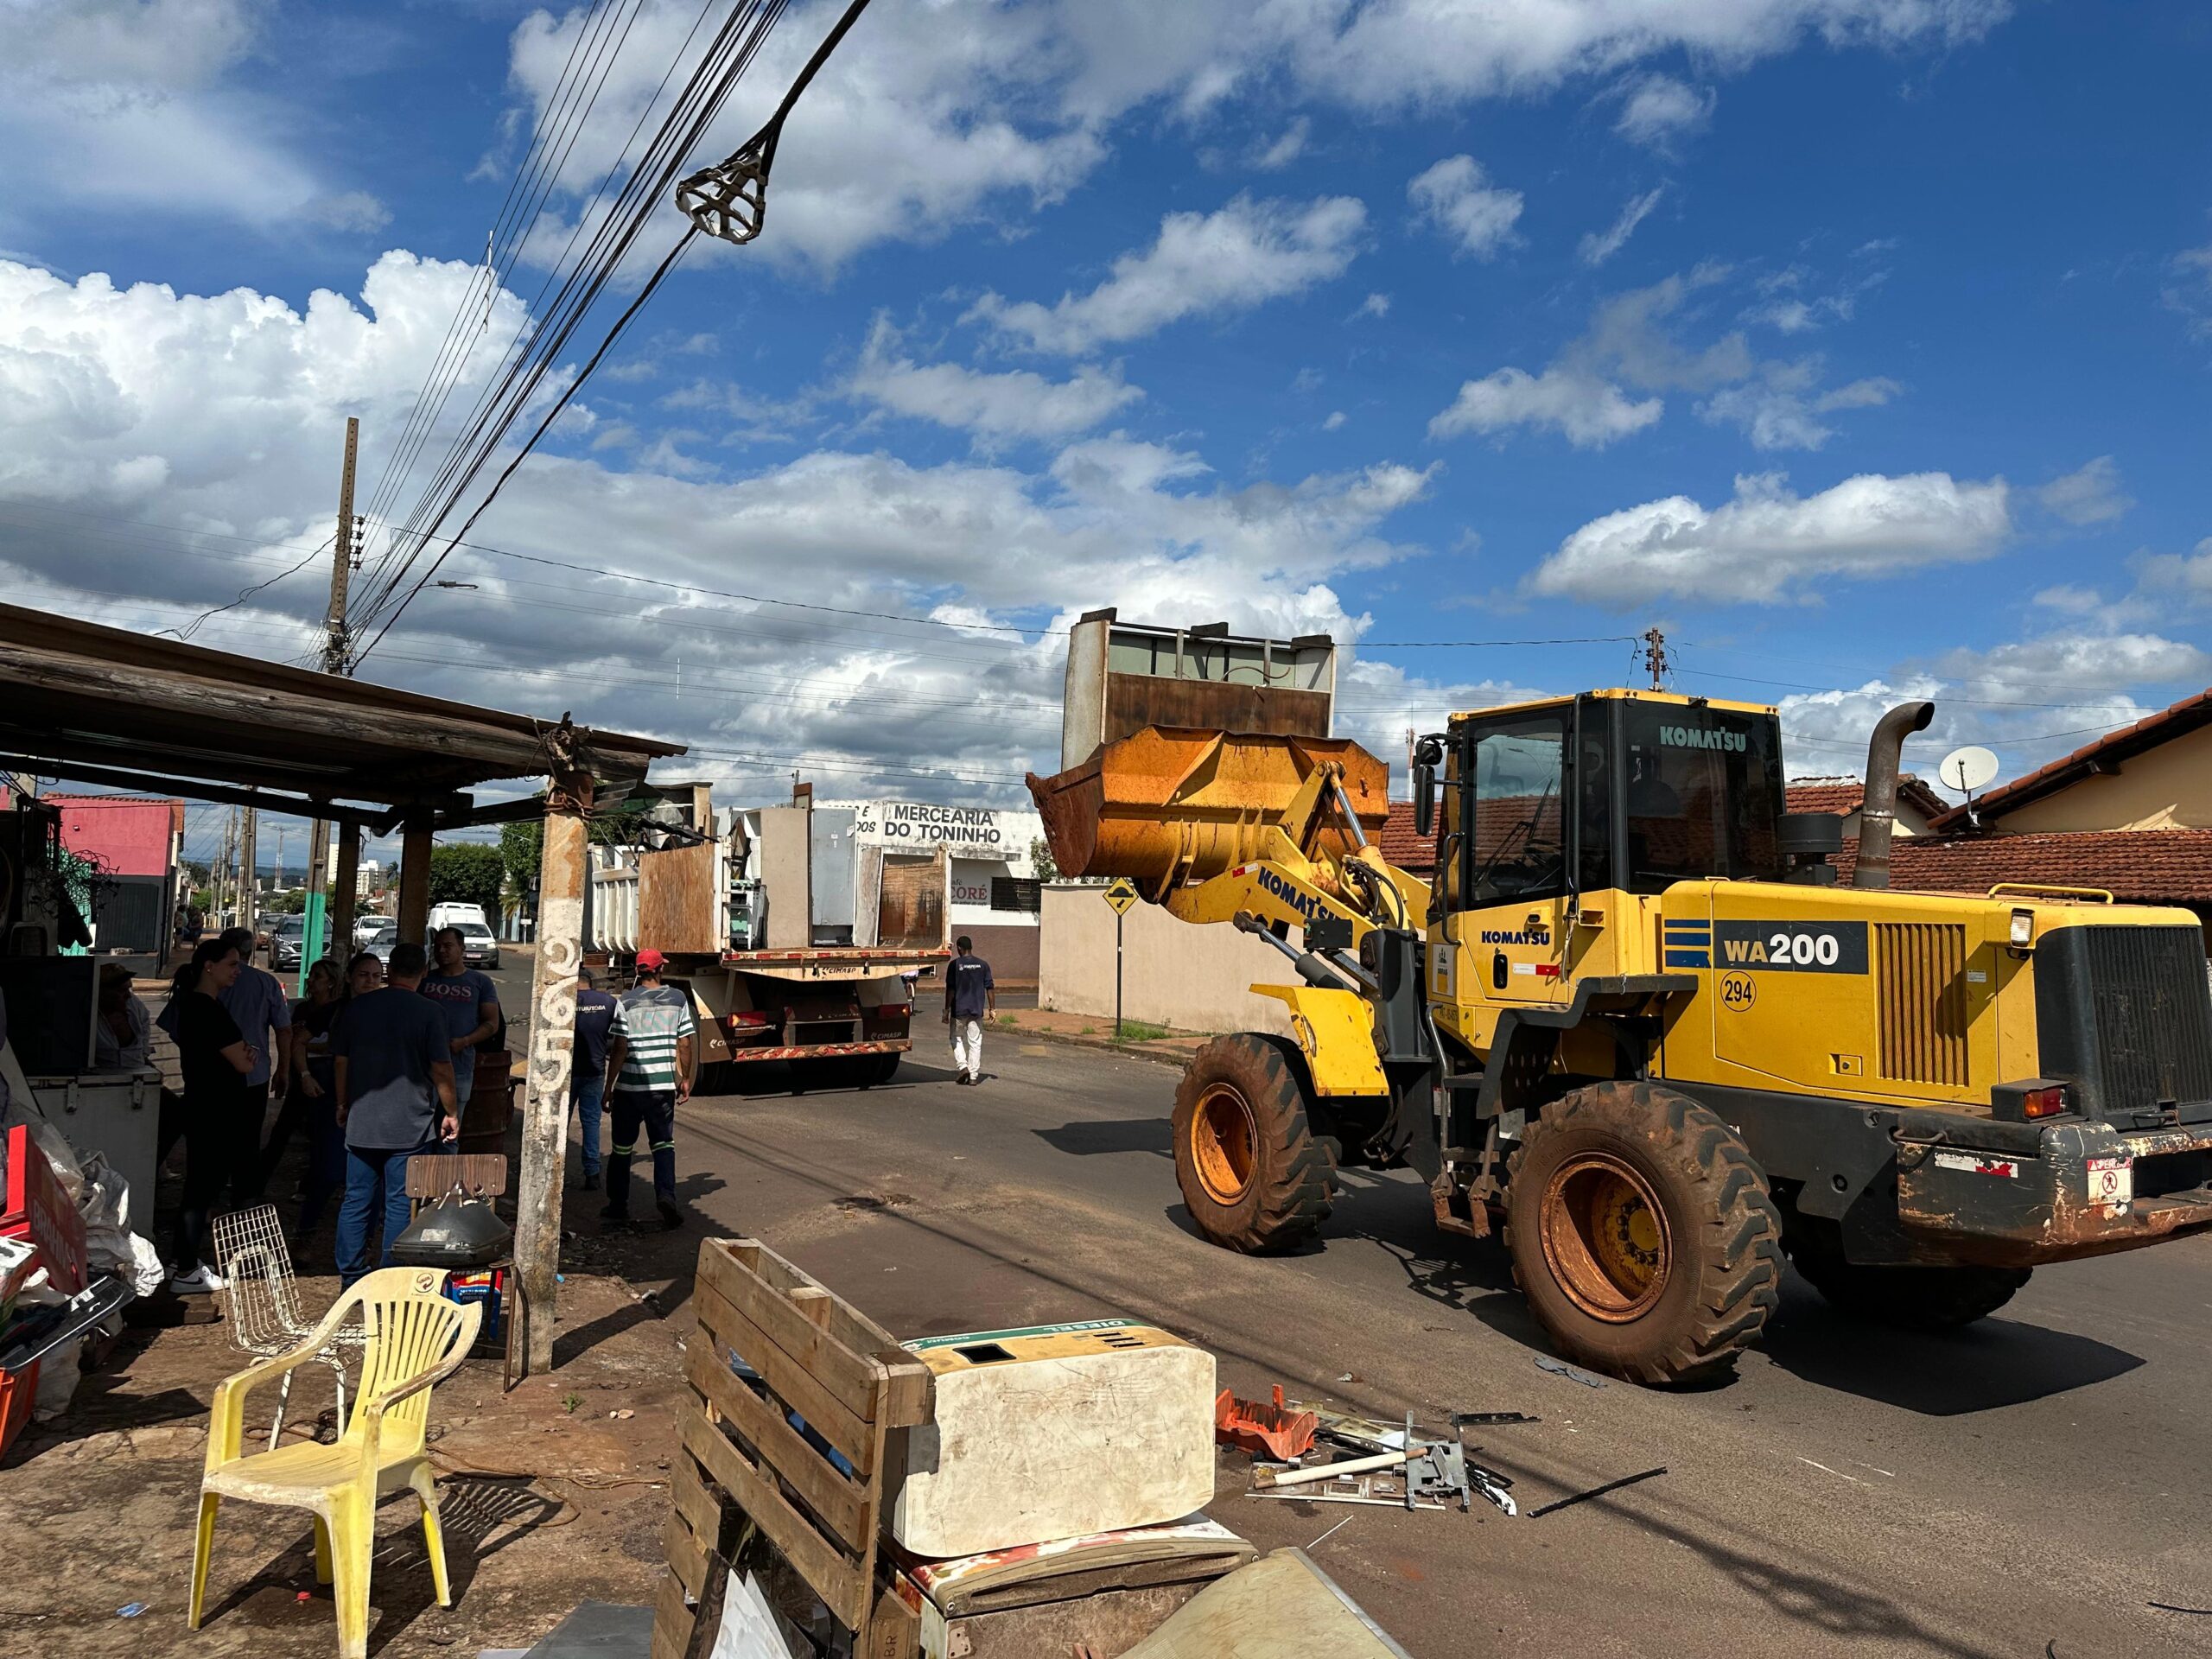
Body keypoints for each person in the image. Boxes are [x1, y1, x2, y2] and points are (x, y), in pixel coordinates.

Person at [331, 941, 457, 1287]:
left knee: (357, 1199)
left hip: (362, 1120)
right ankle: (390, 1277)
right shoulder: (431, 1012)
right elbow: (442, 1068)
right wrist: (451, 1111)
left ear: (388, 971)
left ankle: (351, 1277)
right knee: (401, 1203)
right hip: (410, 1125)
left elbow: (341, 1061)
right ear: (424, 972)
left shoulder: (358, 1008)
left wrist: (342, 1103)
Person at [157, 925, 291, 1202]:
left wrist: (202, 1053)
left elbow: (176, 1029)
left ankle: (209, 1205)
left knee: (205, 1153)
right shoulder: (255, 987)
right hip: (249, 1080)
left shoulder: (195, 995)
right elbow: (283, 1030)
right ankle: (238, 1204)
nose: (236, 972)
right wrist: (283, 1068)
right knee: (244, 1146)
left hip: (204, 1082)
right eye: (231, 965)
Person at [167, 937, 261, 1293]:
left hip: (204, 1103)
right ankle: (187, 1268)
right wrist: (246, 1054)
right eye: (232, 964)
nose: (238, 971)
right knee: (202, 1188)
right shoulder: (207, 1008)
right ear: (210, 966)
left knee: (199, 1185)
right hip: (216, 1109)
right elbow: (241, 1059)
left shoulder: (192, 1005)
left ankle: (180, 1259)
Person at [279, 955, 378, 1247]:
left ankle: (365, 1243)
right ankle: (305, 1234)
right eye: (363, 975)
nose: (369, 982)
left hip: (371, 1100)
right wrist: (305, 1075)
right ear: (348, 977)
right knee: (328, 1170)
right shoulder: (334, 1010)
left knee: (372, 1177)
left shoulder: (384, 1009)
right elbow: (299, 1042)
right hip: (332, 1100)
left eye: (375, 976)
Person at [601, 949, 694, 1230]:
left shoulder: (626, 1002)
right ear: (659, 970)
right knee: (663, 1145)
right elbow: (685, 1044)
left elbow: (620, 1048)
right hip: (661, 1087)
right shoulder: (677, 999)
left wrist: (609, 1087)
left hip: (630, 1087)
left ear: (639, 971)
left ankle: (618, 1206)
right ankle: (666, 1196)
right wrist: (684, 1078)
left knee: (621, 1149)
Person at [419, 925, 500, 1117]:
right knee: (421, 1130)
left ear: (462, 948)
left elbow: (492, 1024)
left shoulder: (481, 983)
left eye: (448, 946)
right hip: (423, 1068)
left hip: (460, 1068)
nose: (441, 951)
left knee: (450, 1132)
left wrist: (464, 1042)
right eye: (437, 947)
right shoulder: (424, 980)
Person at [570, 965, 618, 1192]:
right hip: (595, 1071)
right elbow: (616, 1038)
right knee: (591, 1123)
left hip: (566, 1074)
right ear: (591, 982)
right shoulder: (608, 1002)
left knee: (559, 1124)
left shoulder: (564, 1001)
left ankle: (551, 1170)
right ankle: (592, 1174)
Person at [944, 935, 995, 1085]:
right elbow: (990, 988)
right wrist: (993, 1009)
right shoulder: (983, 965)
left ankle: (963, 1066)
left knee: (956, 1038)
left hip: (959, 1011)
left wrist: (946, 1010)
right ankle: (973, 1076)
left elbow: (950, 990)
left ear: (959, 947)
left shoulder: (954, 965)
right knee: (975, 1042)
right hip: (976, 1010)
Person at [93, 963, 152, 1071]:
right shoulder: (90, 1013)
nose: (128, 995)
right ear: (103, 992)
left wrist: (144, 1054)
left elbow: (145, 1023)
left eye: (128, 989)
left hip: (136, 1068)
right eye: (121, 990)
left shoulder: (133, 1003)